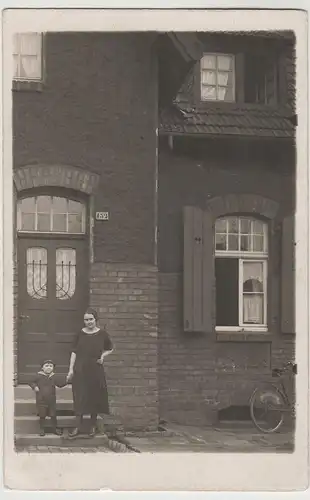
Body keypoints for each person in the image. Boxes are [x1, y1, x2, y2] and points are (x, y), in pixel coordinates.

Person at [66, 307, 114, 438]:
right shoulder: (79, 334)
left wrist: (103, 356)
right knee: (80, 396)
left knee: (94, 397)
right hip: (80, 369)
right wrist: (71, 369)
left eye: (91, 319)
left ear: (96, 320)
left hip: (95, 369)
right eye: (86, 320)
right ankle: (78, 426)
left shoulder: (102, 334)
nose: (88, 322)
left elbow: (110, 348)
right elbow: (74, 352)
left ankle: (92, 426)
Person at [29, 359, 67, 437]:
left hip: (51, 400)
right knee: (42, 415)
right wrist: (35, 387)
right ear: (42, 368)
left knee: (53, 415)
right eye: (46, 366)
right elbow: (31, 382)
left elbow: (60, 384)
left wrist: (67, 380)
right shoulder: (38, 375)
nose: (48, 368)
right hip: (41, 399)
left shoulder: (54, 376)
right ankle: (42, 428)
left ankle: (55, 428)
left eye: (50, 366)